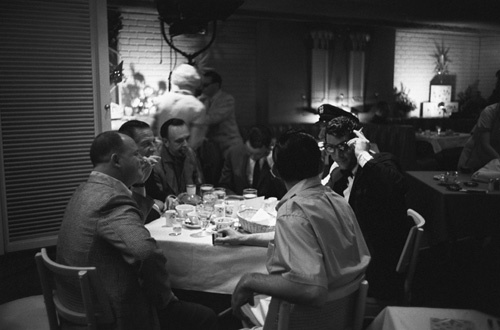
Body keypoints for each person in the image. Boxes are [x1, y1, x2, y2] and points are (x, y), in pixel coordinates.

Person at [56, 131, 217, 330]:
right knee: (206, 315)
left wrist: (139, 182)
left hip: (74, 300)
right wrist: (165, 299)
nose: (142, 160)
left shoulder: (84, 190)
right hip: (111, 309)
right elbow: (145, 253)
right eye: (136, 155)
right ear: (116, 160)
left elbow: (129, 226)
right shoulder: (110, 200)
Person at [230, 130, 370, 327]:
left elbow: (312, 290)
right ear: (321, 165)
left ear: (275, 172)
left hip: (306, 322)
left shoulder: (292, 212)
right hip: (339, 321)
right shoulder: (339, 202)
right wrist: (243, 238)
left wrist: (249, 280)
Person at [323, 115, 411, 302]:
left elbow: (397, 185)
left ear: (357, 143)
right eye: (332, 148)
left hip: (377, 265)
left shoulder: (382, 163)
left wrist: (363, 155)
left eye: (343, 147)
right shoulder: (338, 173)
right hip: (351, 253)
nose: (338, 156)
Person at [218, 125, 286, 199]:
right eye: (250, 152)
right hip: (239, 205)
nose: (253, 157)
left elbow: (284, 191)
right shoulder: (233, 154)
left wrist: (273, 166)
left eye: (258, 154)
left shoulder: (277, 158)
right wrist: (237, 199)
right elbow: (224, 186)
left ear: (268, 148)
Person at [146, 118, 204, 203]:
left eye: (187, 139)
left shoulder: (189, 153)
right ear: (166, 142)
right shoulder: (155, 161)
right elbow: (157, 196)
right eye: (179, 141)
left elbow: (199, 185)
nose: (186, 144)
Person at [152, 63, 206, 150]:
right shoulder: (198, 107)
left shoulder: (161, 101)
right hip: (182, 156)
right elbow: (194, 142)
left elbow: (152, 130)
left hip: (160, 152)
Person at [118, 120, 164, 221]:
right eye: (146, 144)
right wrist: (155, 207)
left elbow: (160, 197)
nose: (153, 148)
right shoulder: (117, 177)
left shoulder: (146, 165)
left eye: (154, 142)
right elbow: (135, 218)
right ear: (128, 146)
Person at [199, 70, 243, 158]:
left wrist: (192, 118)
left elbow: (213, 118)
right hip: (216, 148)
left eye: (206, 85)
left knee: (235, 171)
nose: (203, 88)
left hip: (230, 145)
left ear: (216, 85)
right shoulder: (206, 101)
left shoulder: (227, 99)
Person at [458, 102, 500, 173]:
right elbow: (485, 144)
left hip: (494, 164)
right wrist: (498, 160)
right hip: (475, 159)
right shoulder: (489, 112)